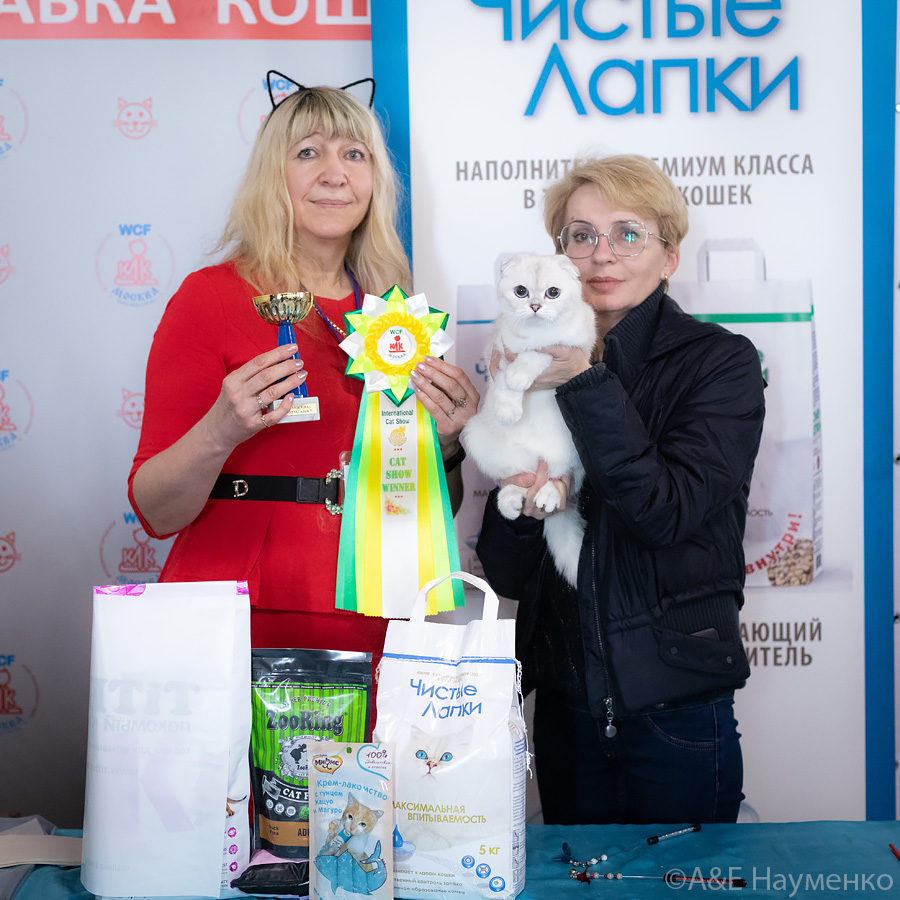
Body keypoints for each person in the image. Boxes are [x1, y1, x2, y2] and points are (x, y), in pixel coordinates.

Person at [128, 81, 478, 662]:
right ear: (273, 176)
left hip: (377, 615)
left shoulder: (400, 318)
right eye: (308, 152)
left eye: (354, 154)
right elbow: (155, 510)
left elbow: (430, 509)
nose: (335, 174)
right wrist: (220, 430)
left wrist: (446, 446)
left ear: (375, 180)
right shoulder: (209, 297)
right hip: (242, 618)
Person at [476, 154, 765, 825]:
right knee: (571, 875)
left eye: (628, 234)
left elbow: (663, 513)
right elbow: (509, 572)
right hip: (565, 707)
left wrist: (583, 383)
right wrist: (517, 496)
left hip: (675, 705)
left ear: (670, 257)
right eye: (581, 236)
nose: (601, 254)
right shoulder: (521, 361)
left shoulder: (720, 362)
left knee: (684, 877)